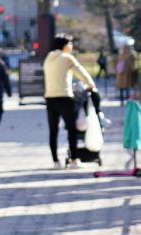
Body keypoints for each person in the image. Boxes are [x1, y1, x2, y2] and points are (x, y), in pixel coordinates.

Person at [43, 33, 96, 169]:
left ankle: (55, 161)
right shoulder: (67, 58)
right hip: (65, 98)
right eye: (70, 44)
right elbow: (82, 73)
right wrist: (91, 85)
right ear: (65, 45)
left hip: (50, 98)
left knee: (53, 130)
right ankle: (74, 160)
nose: (71, 46)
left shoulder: (48, 58)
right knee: (72, 129)